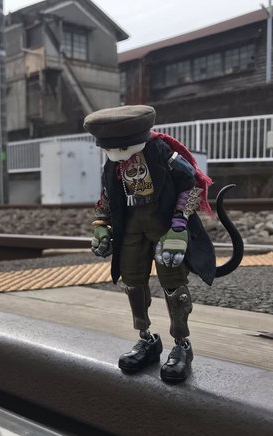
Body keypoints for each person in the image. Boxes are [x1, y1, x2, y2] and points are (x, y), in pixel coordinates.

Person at [83, 104, 226, 383]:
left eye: (124, 147)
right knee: (132, 282)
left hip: (164, 222)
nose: (119, 155)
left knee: (174, 285)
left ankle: (182, 343)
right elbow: (108, 196)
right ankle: (146, 338)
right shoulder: (113, 162)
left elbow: (192, 185)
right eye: (111, 149)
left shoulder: (162, 153)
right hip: (131, 226)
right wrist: (101, 225)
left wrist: (179, 225)